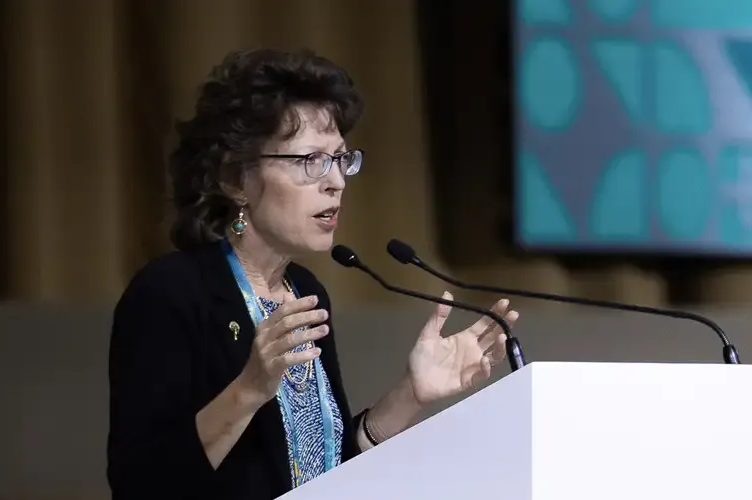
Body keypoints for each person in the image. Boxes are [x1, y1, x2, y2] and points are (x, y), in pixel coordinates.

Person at [105, 48, 520, 500]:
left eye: (340, 159)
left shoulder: (305, 291)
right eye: (310, 161)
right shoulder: (171, 293)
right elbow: (139, 485)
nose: (336, 181)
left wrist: (411, 393)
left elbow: (328, 474)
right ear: (234, 179)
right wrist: (249, 390)